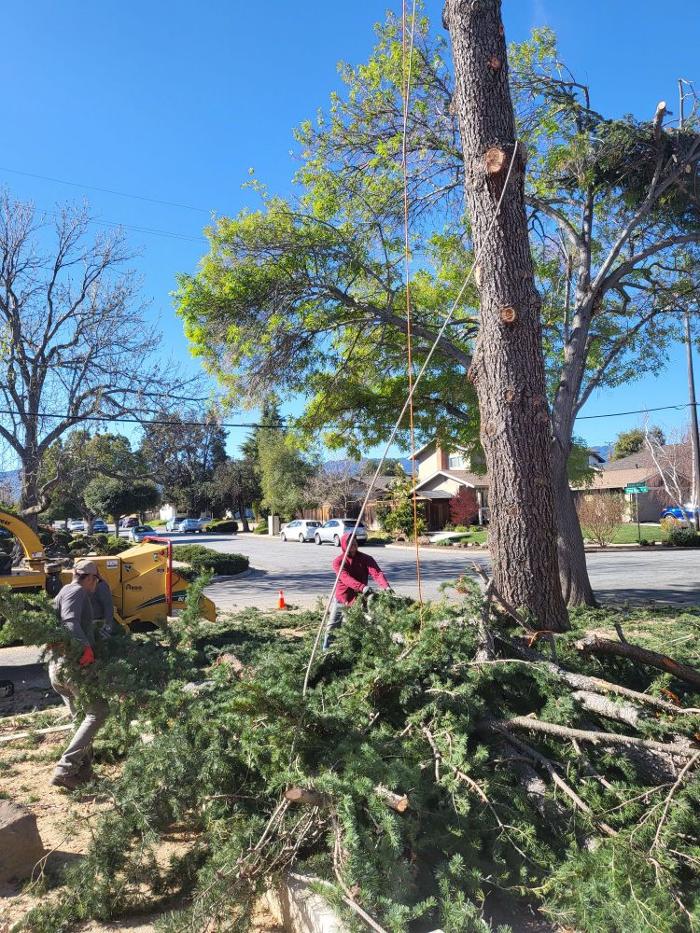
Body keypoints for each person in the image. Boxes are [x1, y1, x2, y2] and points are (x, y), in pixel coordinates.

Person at [48, 559, 110, 789]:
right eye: (96, 580)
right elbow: (70, 623)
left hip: (58, 668)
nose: (96, 585)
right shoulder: (77, 591)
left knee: (80, 717)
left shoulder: (64, 591)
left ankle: (83, 773)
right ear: (90, 578)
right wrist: (85, 647)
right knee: (99, 711)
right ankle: (65, 770)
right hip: (73, 667)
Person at [323, 532, 391, 649]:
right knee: (332, 628)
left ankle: (359, 653)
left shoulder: (366, 559)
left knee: (360, 628)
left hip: (359, 601)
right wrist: (362, 587)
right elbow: (345, 578)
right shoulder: (338, 562)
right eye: (350, 542)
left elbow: (377, 573)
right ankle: (325, 652)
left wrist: (386, 586)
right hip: (342, 600)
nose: (353, 544)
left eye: (354, 541)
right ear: (344, 545)